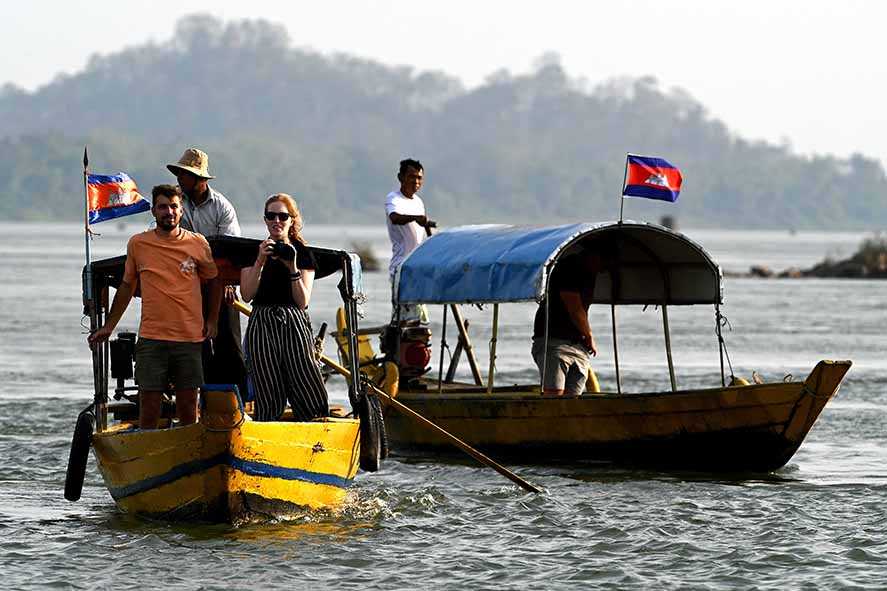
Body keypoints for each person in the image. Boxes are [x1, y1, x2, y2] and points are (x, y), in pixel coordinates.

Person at [88, 184, 222, 429]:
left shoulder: (197, 243)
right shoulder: (138, 244)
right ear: (153, 211)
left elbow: (214, 281)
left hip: (189, 337)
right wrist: (109, 326)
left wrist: (212, 320)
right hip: (152, 338)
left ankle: (188, 455)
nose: (168, 212)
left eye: (174, 207)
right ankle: (148, 453)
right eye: (163, 207)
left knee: (188, 409)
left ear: (181, 211)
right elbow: (127, 286)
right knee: (148, 408)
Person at [239, 194, 329, 421]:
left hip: (294, 322)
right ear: (265, 220)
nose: (276, 221)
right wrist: (260, 260)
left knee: (305, 379)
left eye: (282, 216)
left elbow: (302, 302)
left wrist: (292, 267)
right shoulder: (254, 252)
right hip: (262, 321)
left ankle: (315, 427)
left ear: (292, 220)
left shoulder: (302, 253)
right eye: (271, 216)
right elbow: (247, 295)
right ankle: (268, 428)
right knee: (267, 386)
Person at [167, 147, 246, 396]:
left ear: (199, 180)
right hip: (188, 285)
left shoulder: (222, 207)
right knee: (193, 343)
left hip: (220, 283)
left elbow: (231, 250)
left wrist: (230, 284)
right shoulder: (176, 205)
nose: (179, 179)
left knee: (229, 343)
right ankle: (197, 395)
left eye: (184, 175)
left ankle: (236, 397)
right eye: (179, 174)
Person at [531, 247, 610, 398]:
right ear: (594, 256)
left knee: (572, 400)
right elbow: (574, 307)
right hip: (555, 342)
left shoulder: (589, 274)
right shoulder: (569, 267)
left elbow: (581, 310)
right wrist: (589, 336)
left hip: (578, 346)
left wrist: (585, 337)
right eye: (604, 262)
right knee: (554, 397)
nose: (603, 270)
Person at [385, 158, 436, 323]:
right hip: (401, 269)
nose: (416, 181)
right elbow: (394, 218)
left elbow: (421, 228)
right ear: (401, 177)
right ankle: (398, 347)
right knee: (403, 320)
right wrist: (416, 218)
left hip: (417, 269)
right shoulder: (394, 198)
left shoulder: (418, 202)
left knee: (420, 321)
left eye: (419, 178)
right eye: (412, 177)